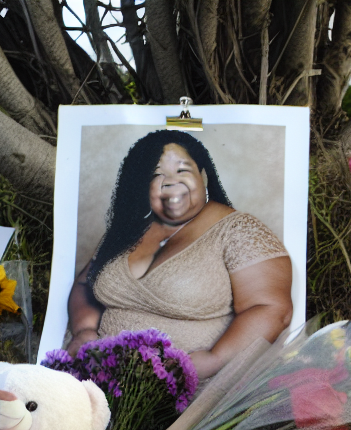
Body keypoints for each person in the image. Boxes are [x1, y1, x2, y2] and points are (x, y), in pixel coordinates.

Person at [67, 130, 293, 381]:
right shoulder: (127, 229)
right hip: (98, 379)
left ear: (203, 175)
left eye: (182, 170)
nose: (169, 181)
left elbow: (272, 309)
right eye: (156, 174)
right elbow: (84, 284)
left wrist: (213, 360)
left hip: (191, 391)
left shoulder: (238, 230)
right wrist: (84, 329)